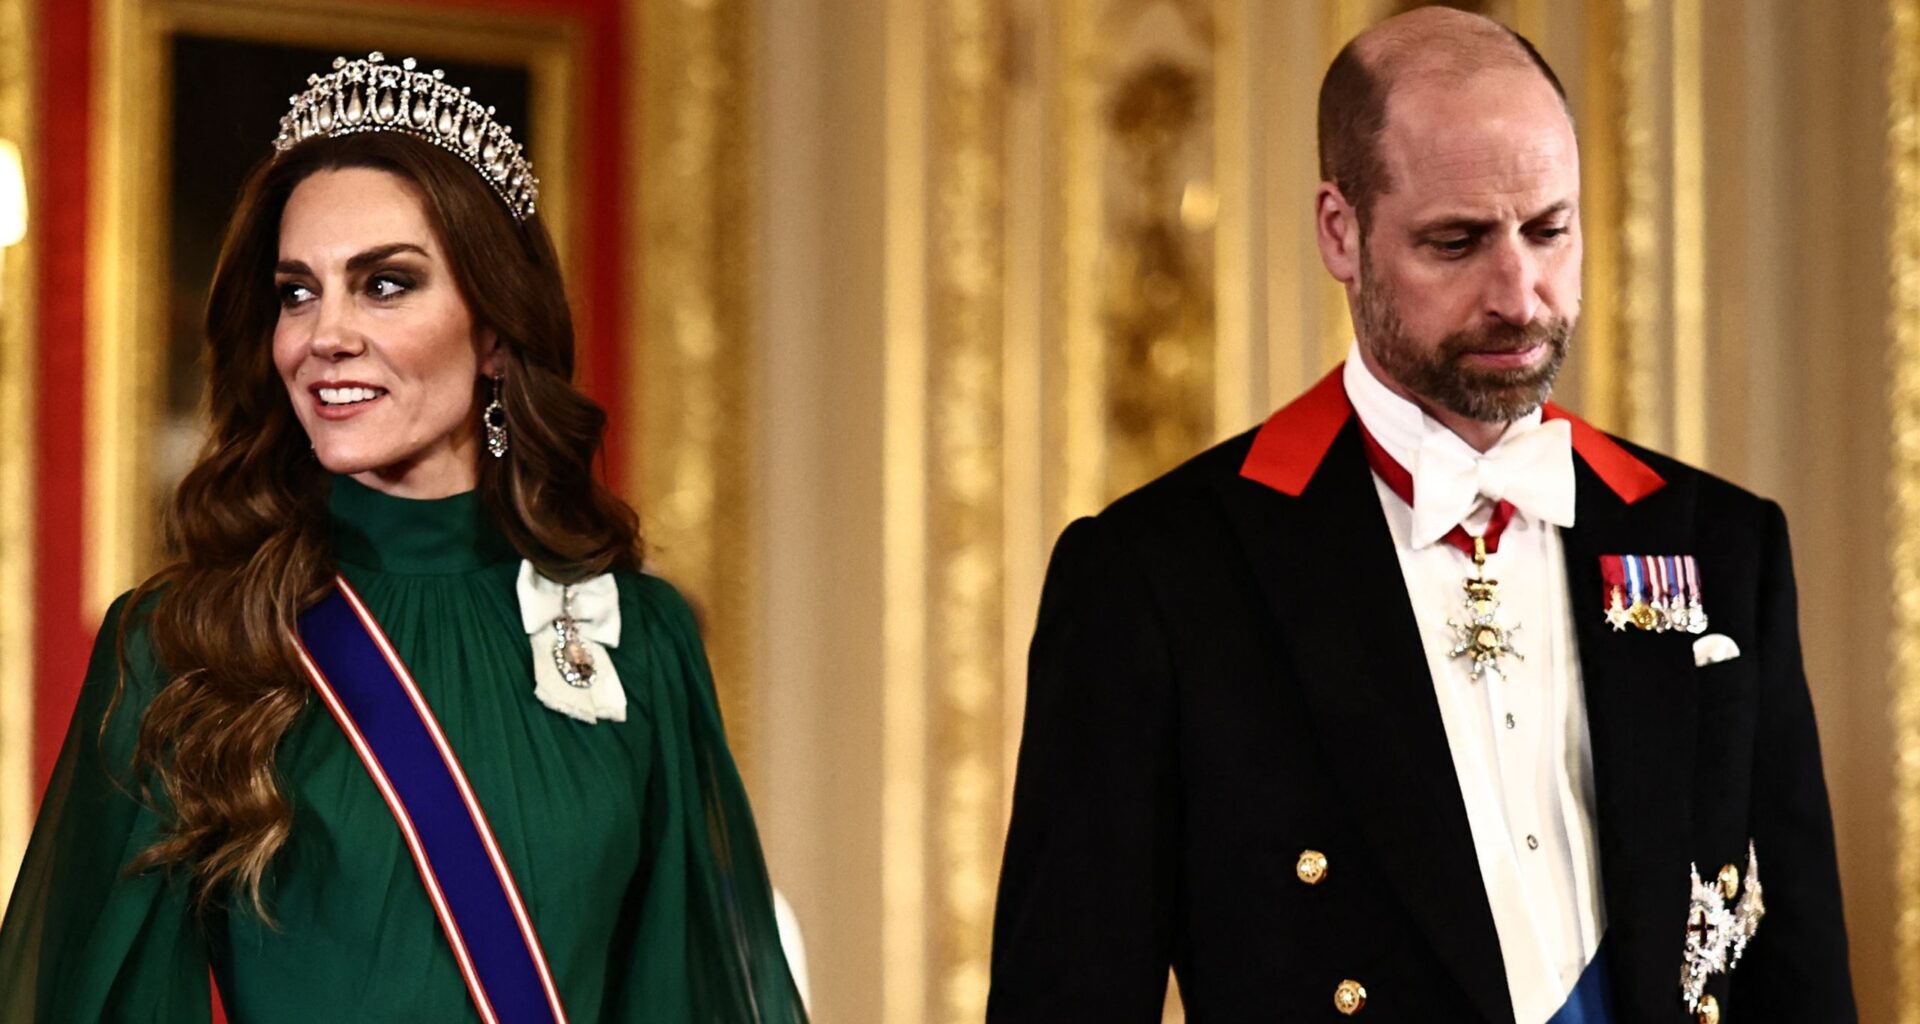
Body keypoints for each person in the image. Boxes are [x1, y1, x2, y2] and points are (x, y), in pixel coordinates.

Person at [988, 8, 1853, 1023]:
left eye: (1549, 229)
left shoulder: (1717, 547)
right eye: (1457, 241)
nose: (1519, 292)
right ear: (1340, 232)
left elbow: (1799, 983)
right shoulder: (1161, 577)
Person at [0, 53, 805, 1023]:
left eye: (384, 284)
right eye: (298, 292)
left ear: (497, 332)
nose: (323, 334)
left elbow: (684, 997)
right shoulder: (184, 640)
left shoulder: (641, 637)